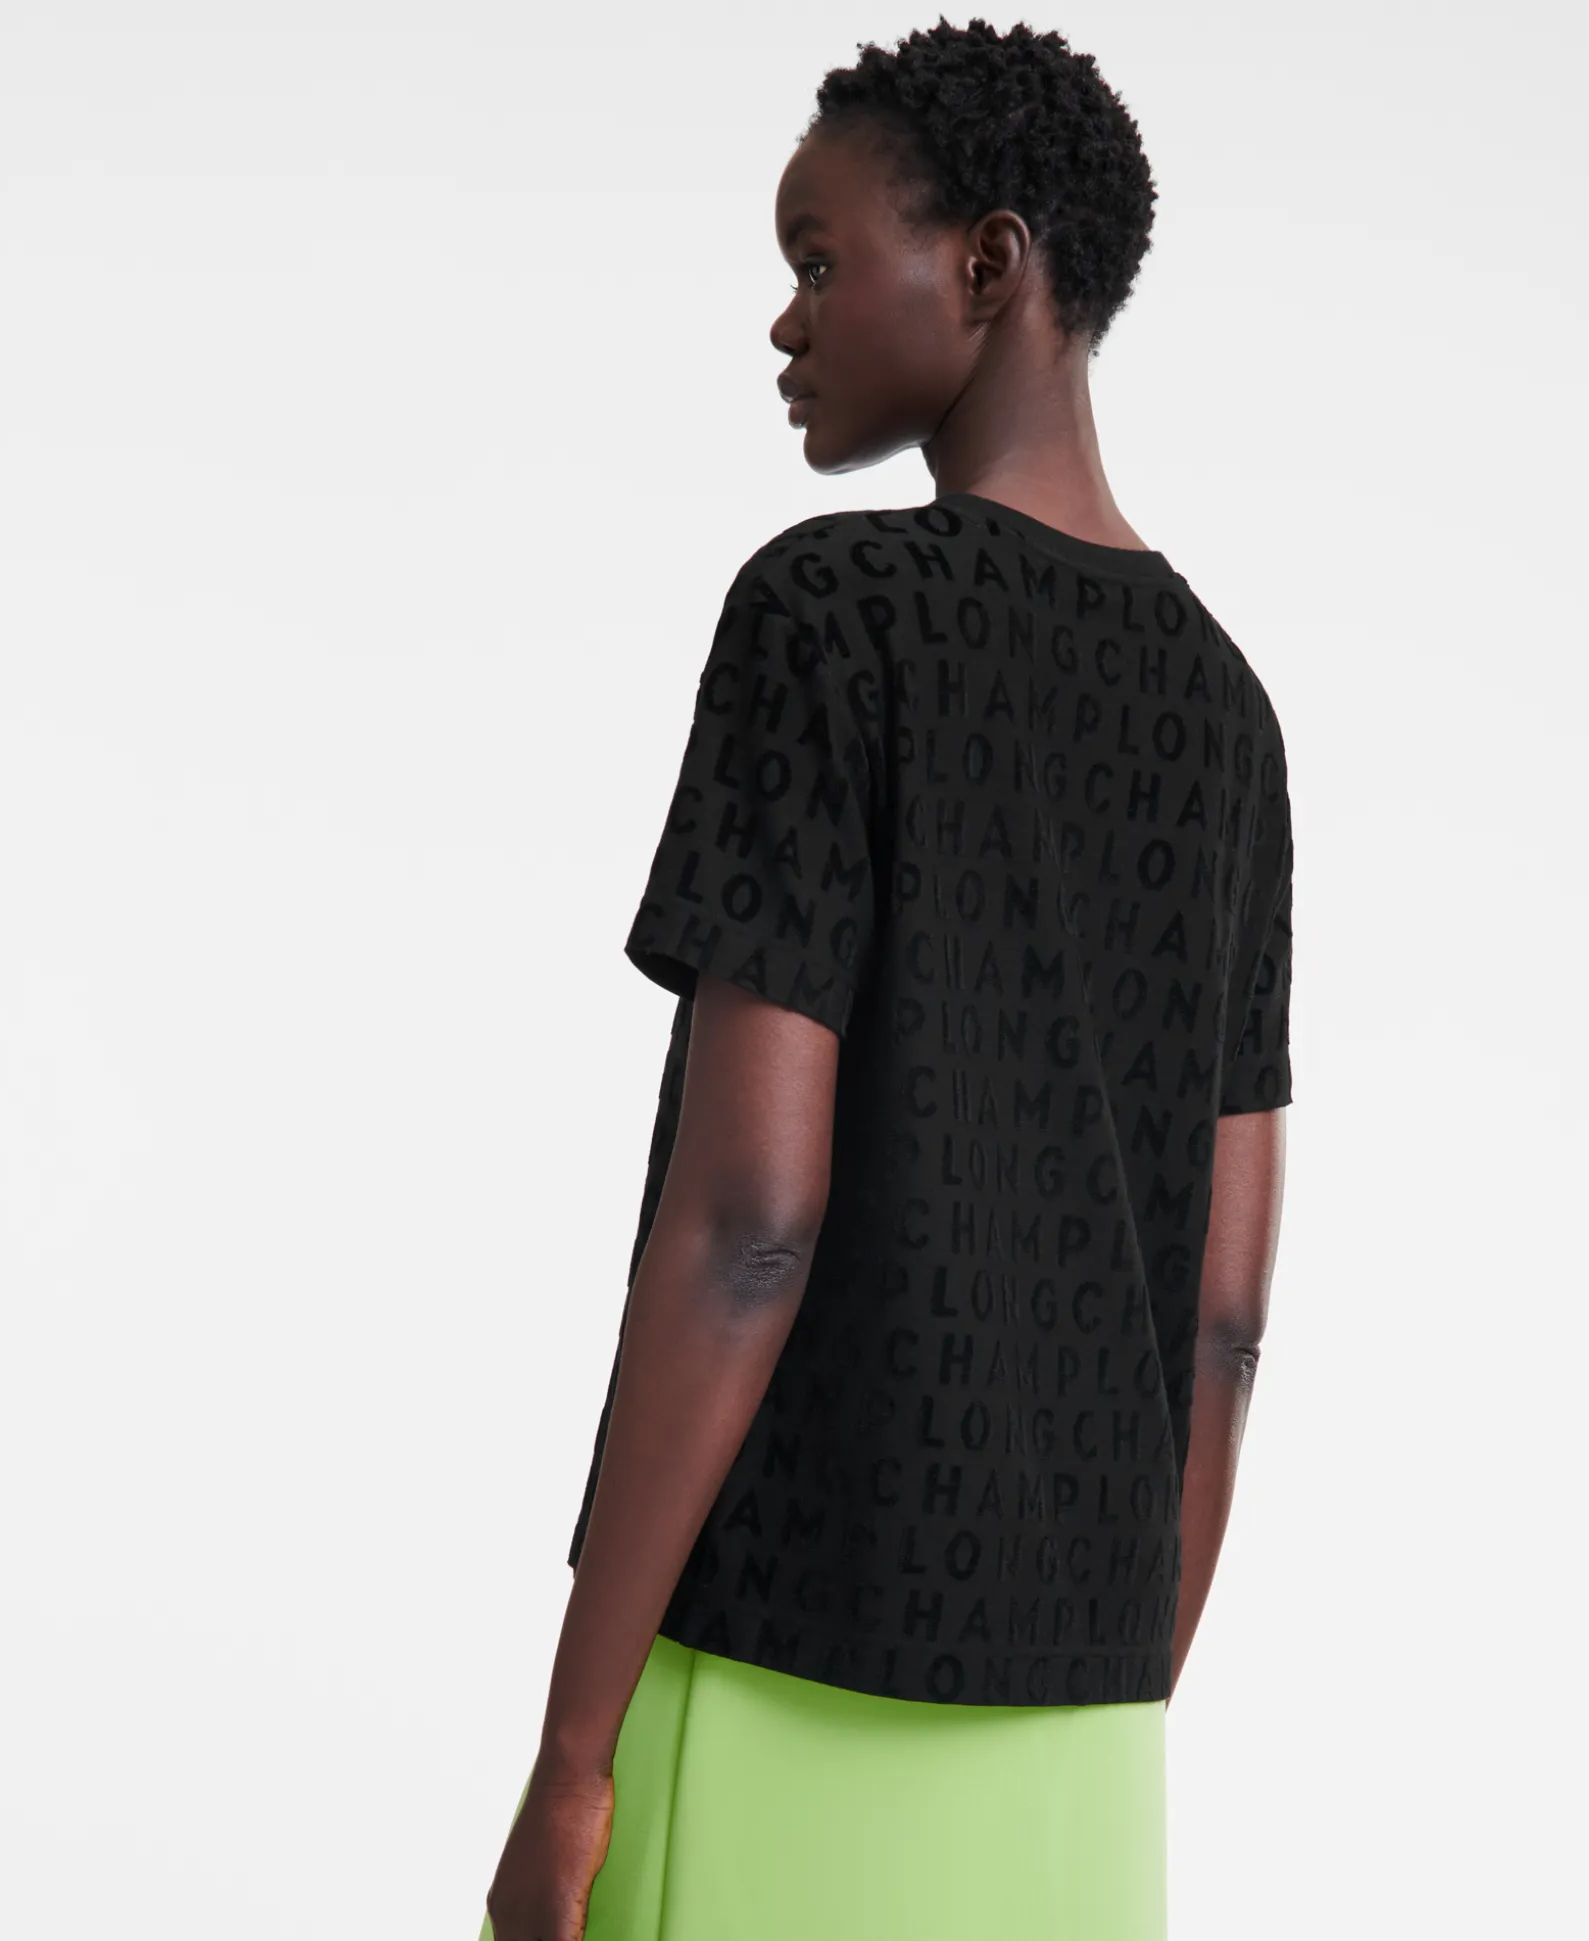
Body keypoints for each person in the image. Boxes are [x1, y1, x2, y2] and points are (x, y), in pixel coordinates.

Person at [479, 17, 1292, 1940]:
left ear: (991, 264)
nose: (785, 320)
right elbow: (1226, 1311)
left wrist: (574, 1756)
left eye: (820, 258)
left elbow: (747, 1226)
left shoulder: (831, 619)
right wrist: (1116, 1687)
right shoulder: (1228, 715)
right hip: (1085, 1736)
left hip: (779, 1660)